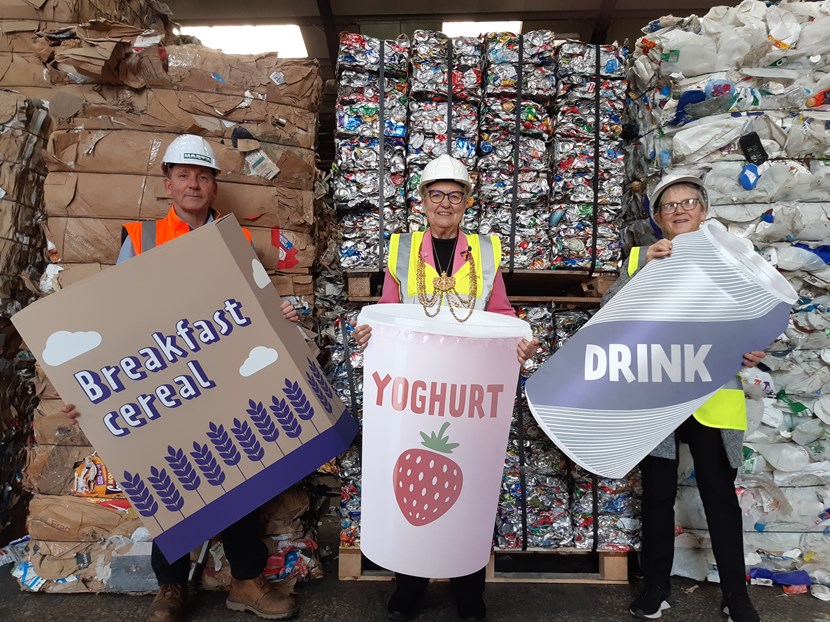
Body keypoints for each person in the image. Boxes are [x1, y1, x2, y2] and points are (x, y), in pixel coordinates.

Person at [61, 134, 299, 622]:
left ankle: (247, 581)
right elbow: (115, 320)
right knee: (169, 478)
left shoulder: (233, 242)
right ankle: (170, 587)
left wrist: (281, 314)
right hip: (166, 382)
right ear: (168, 183)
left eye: (204, 175)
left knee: (239, 476)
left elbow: (250, 308)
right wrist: (89, 384)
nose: (194, 184)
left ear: (214, 187)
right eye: (185, 175)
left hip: (225, 380)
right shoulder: (143, 239)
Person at [352, 154, 539, 622]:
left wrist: (521, 340)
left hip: (468, 388)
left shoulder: (485, 251)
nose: (445, 204)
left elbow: (501, 310)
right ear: (422, 201)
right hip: (419, 384)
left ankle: (468, 591)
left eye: (455, 196)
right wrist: (369, 331)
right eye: (436, 195)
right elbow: (389, 308)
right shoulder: (402, 248)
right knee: (410, 471)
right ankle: (409, 587)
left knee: (469, 476)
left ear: (467, 203)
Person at [604, 174, 763, 622]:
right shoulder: (642, 258)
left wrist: (754, 345)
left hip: (713, 396)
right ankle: (656, 587)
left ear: (703, 210)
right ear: (657, 220)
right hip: (658, 396)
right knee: (656, 494)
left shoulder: (731, 258)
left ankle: (737, 594)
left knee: (719, 496)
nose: (679, 210)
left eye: (687, 201)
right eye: (669, 206)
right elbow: (610, 315)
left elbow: (757, 312)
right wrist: (644, 271)